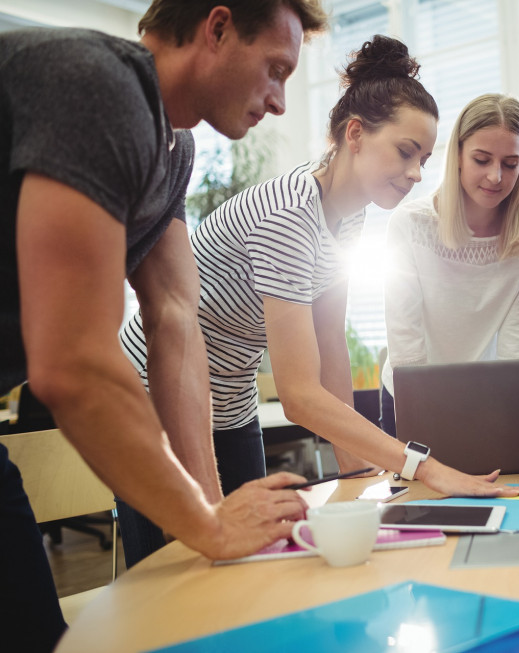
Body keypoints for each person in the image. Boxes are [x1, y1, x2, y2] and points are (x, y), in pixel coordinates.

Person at [118, 36, 519, 565]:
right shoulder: (288, 214)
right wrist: (421, 466)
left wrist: (358, 473)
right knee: (176, 575)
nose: (417, 173)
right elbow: (299, 395)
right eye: (405, 152)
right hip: (158, 389)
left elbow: (330, 343)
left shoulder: (348, 215)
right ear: (355, 134)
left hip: (231, 397)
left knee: (243, 565)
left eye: (424, 158)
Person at [0, 1, 328, 650]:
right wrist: (206, 524)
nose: (281, 101)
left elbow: (177, 319)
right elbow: (73, 366)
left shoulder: (171, 145)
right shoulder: (99, 85)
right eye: (275, 69)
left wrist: (214, 521)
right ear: (217, 28)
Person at [381, 94, 519, 436]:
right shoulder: (411, 224)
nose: (495, 177)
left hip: (489, 393)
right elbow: (406, 341)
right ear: (458, 156)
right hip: (411, 392)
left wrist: (506, 413)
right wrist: (426, 415)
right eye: (481, 159)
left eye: (510, 163)